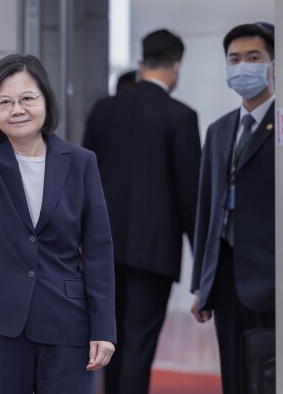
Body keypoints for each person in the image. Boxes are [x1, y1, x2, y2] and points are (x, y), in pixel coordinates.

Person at [0, 22, 116, 393]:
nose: (17, 110)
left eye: (28, 98)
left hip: (65, 320)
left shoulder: (80, 161)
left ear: (46, 101)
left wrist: (104, 327)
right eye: (5, 102)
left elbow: (98, 250)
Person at [83, 29, 201, 394]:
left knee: (108, 339)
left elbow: (83, 179)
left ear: (140, 63)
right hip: (154, 254)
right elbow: (190, 196)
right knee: (139, 344)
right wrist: (204, 267)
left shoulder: (105, 109)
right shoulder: (180, 116)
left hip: (103, 250)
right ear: (177, 66)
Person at [190, 23, 275, 394]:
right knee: (234, 374)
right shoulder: (220, 130)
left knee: (272, 373)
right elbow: (206, 210)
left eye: (254, 58)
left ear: (273, 64)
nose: (243, 66)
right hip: (225, 273)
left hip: (273, 276)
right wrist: (201, 285)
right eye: (235, 59)